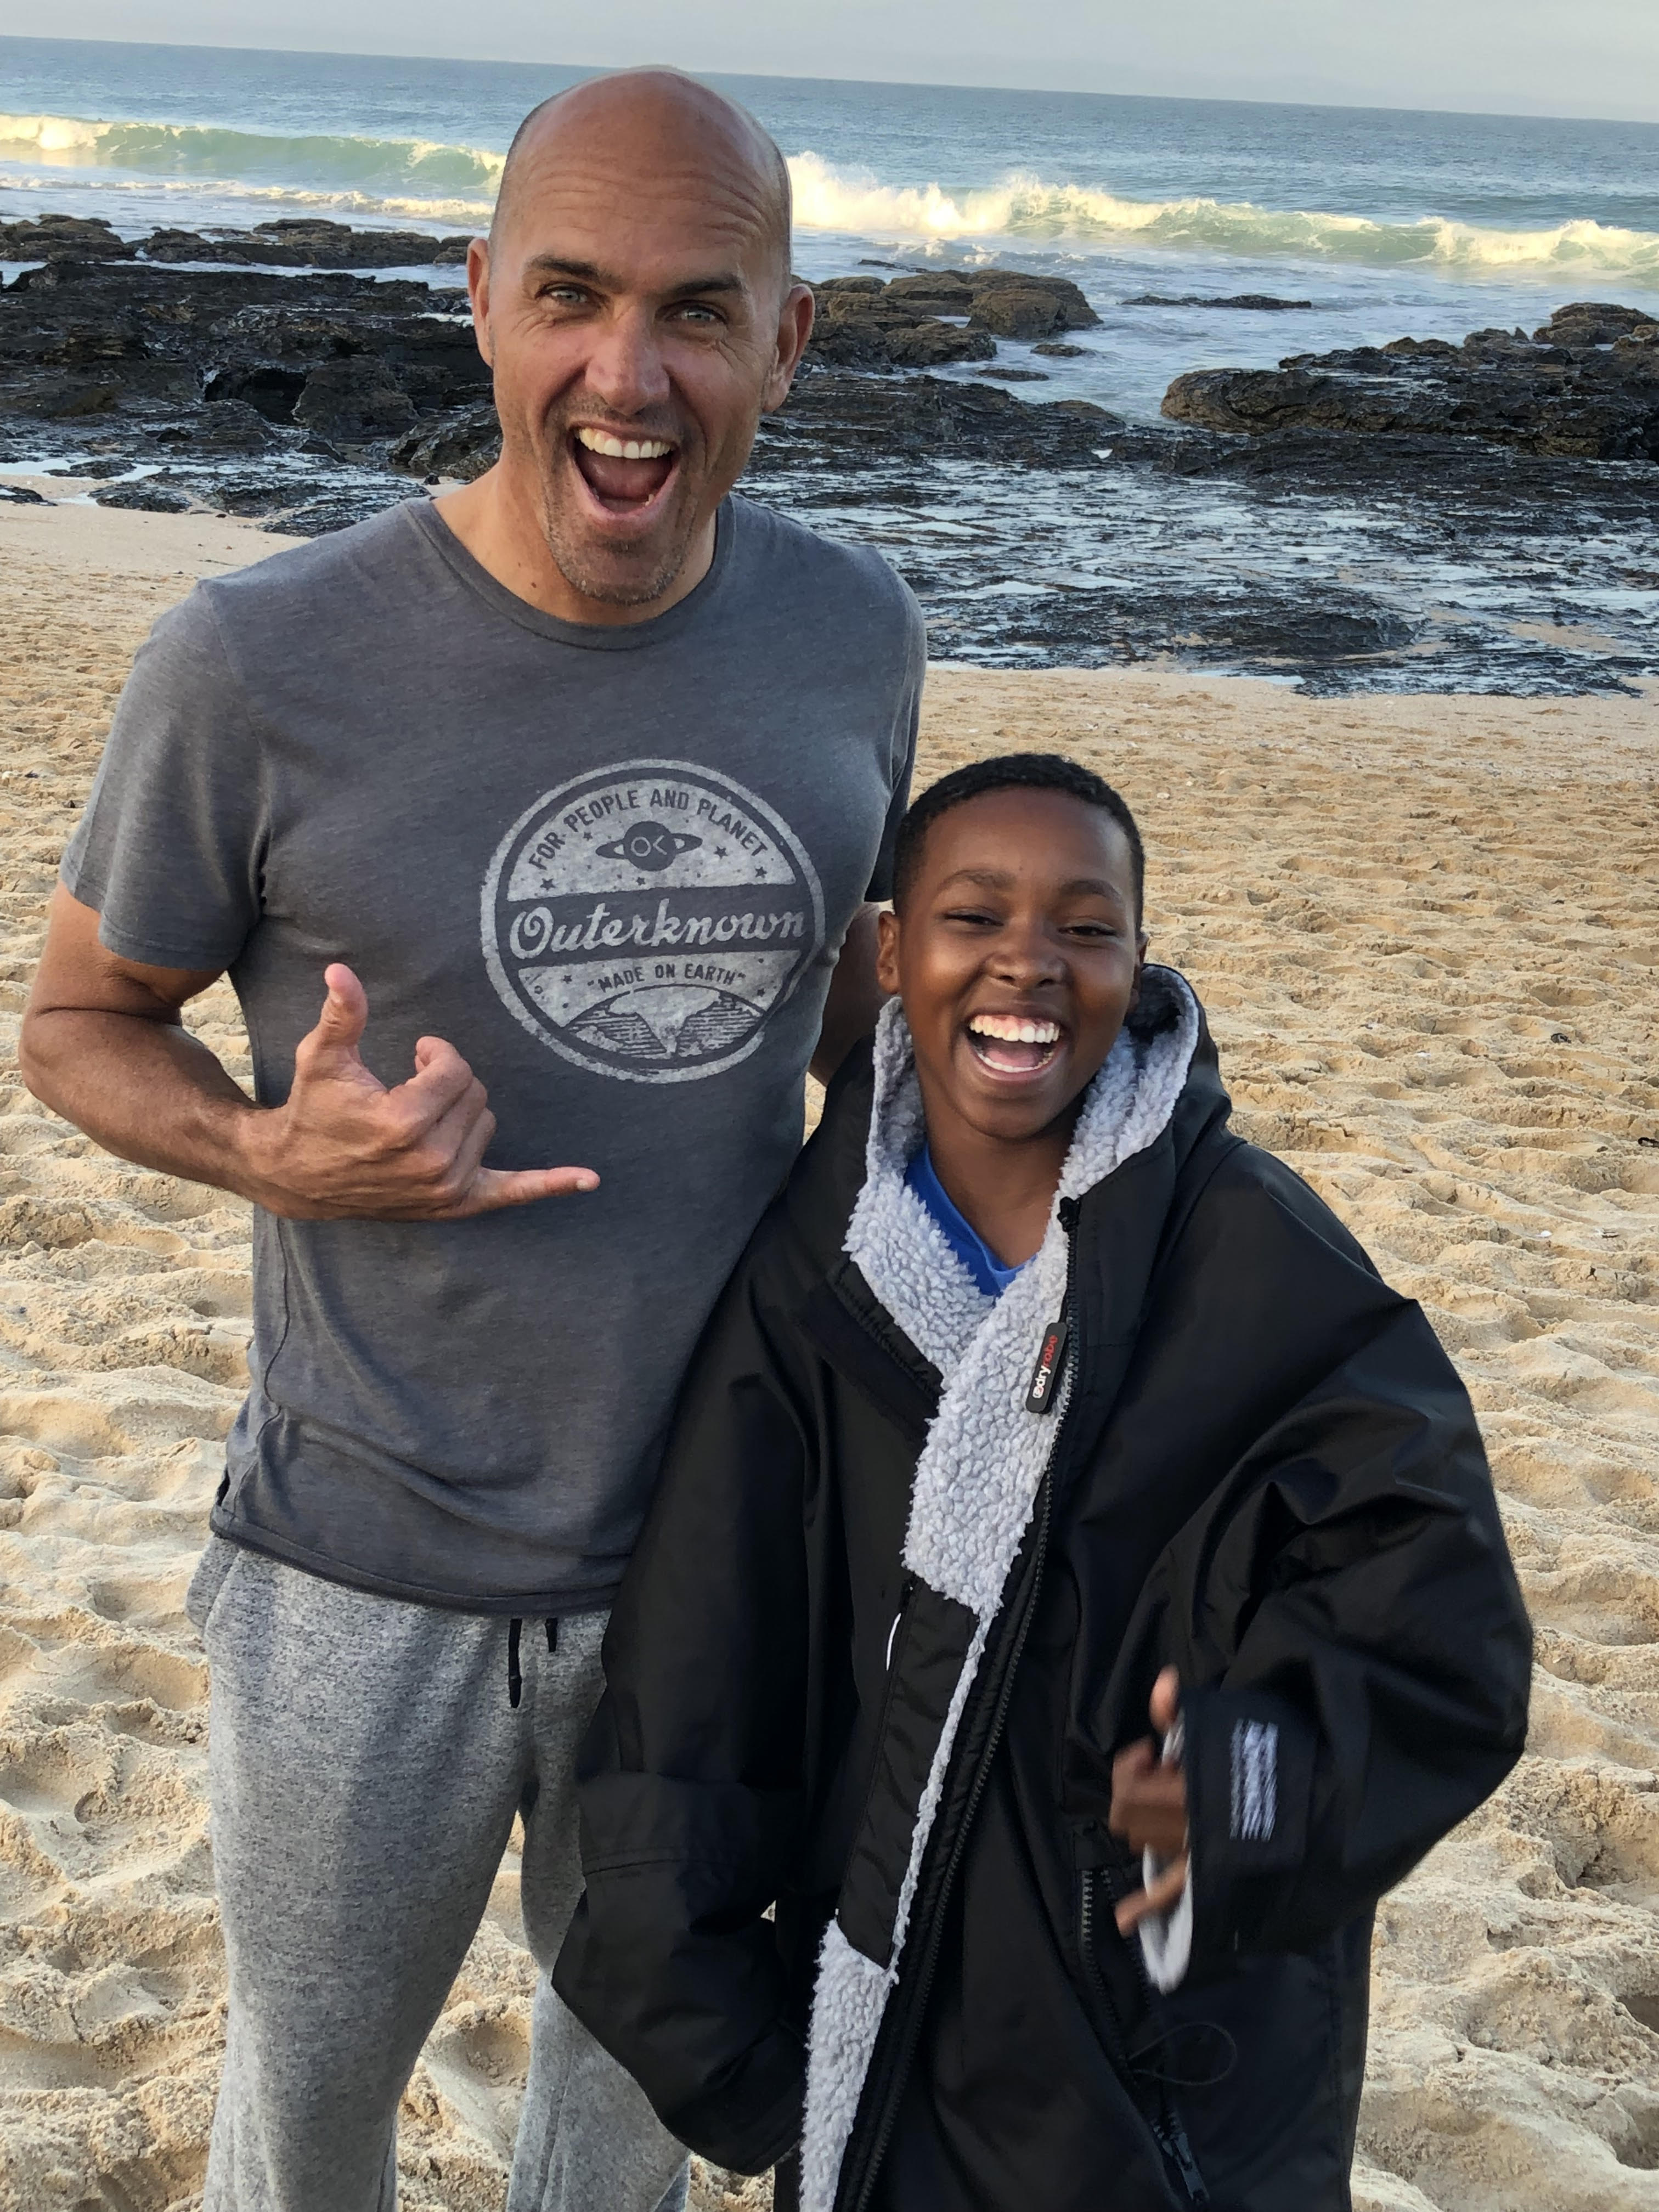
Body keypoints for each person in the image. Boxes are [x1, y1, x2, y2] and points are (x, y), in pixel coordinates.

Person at [18, 69, 923, 2212]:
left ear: (789, 341)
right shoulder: (254, 664)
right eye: (570, 296)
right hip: (360, 1572)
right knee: (306, 2116)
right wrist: (273, 1156)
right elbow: (70, 1024)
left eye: (701, 309)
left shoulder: (855, 638)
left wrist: (915, 1058)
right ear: (482, 306)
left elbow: (819, 1047)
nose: (631, 373)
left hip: (714, 1577)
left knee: (617, 2147)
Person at [552, 754, 1533, 2212]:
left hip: (1173, 2061)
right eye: (975, 915)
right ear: (893, 952)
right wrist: (724, 2044)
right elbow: (701, 1642)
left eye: (1087, 926)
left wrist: (1245, 1781)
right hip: (880, 2026)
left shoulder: (1251, 1255)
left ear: (1139, 964)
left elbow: (1436, 1611)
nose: (1029, 964)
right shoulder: (816, 1277)